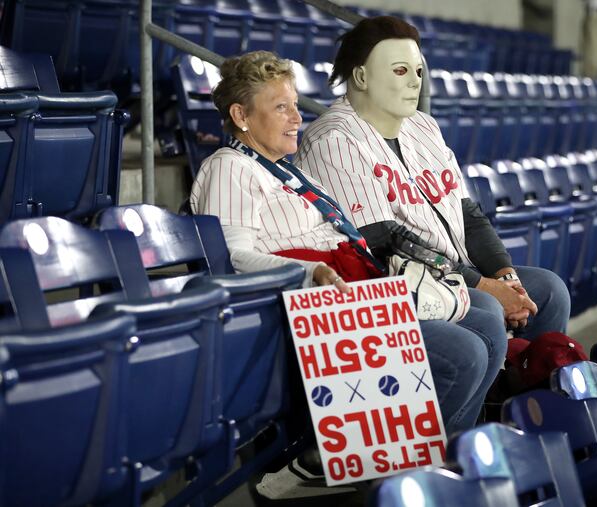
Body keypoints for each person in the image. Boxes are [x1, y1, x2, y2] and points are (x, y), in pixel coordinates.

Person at [189, 50, 508, 435]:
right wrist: (312, 271)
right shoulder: (229, 166)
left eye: (294, 105)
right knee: (466, 353)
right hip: (311, 312)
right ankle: (408, 461)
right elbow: (232, 257)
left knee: (488, 318)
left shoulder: (286, 171)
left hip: (352, 293)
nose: (297, 118)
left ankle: (440, 452)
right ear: (241, 116)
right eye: (280, 108)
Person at [294, 16, 570, 341]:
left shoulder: (423, 126)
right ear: (361, 76)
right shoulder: (333, 138)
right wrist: (483, 285)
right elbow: (382, 240)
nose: (415, 82)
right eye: (400, 71)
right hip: (394, 283)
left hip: (453, 275)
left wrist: (507, 278)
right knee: (486, 309)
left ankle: (529, 381)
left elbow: (468, 214)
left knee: (549, 290)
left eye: (419, 71)